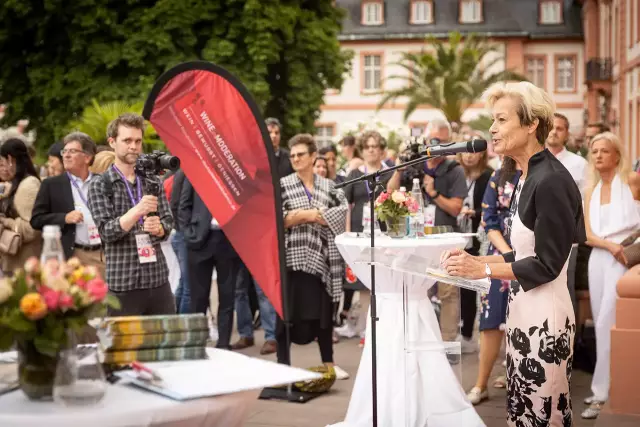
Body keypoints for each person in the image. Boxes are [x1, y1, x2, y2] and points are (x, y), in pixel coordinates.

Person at [442, 81, 585, 426]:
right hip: (522, 313)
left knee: (541, 417)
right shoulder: (525, 174)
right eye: (493, 120)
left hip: (545, 321)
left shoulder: (550, 180)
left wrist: (484, 272)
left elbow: (548, 264)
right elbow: (522, 253)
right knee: (521, 416)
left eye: (502, 120)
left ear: (531, 123)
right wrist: (474, 262)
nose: (492, 129)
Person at [388, 119, 468, 348]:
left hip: (444, 237)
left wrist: (432, 192)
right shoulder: (416, 164)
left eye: (441, 142)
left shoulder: (454, 170)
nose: (435, 146)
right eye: (431, 140)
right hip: (414, 239)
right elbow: (389, 194)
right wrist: (398, 168)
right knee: (413, 290)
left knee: (447, 292)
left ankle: (447, 344)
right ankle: (413, 342)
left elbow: (455, 208)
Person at [88, 113, 175, 316]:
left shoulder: (151, 180)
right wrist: (137, 211)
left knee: (163, 344)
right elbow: (107, 232)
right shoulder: (100, 184)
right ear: (112, 142)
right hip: (124, 283)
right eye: (127, 140)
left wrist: (160, 228)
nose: (133, 146)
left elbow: (168, 222)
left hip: (158, 279)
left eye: (137, 141)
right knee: (126, 346)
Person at [279, 133, 349, 379]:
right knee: (286, 317)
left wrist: (300, 215)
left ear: (312, 157)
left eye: (300, 155)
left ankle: (328, 365)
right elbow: (277, 218)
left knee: (323, 318)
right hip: (291, 262)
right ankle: (282, 368)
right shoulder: (283, 185)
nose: (295, 159)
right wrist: (309, 215)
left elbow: (342, 213)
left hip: (324, 262)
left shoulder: (329, 186)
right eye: (293, 156)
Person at [581, 132, 640, 420]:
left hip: (624, 258)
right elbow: (588, 234)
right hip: (600, 256)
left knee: (607, 320)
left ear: (617, 155)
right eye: (594, 151)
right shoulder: (590, 189)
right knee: (599, 319)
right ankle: (603, 387)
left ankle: (602, 392)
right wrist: (609, 245)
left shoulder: (632, 182)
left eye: (605, 150)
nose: (599, 155)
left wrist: (625, 246)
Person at [467, 161, 521, 404]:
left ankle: (516, 378)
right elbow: (488, 219)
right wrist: (508, 253)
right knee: (490, 319)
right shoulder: (498, 176)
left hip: (530, 254)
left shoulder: (539, 174)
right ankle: (481, 384)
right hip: (498, 254)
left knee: (520, 320)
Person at [336, 131, 390, 344]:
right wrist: (348, 234)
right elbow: (347, 206)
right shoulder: (355, 174)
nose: (370, 150)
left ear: (381, 150)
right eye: (367, 146)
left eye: (374, 146)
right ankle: (356, 325)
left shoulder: (388, 173)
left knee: (376, 282)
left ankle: (371, 326)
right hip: (358, 233)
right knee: (357, 281)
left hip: (381, 234)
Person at [178, 177, 243, 349]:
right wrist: (188, 233)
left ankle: (223, 344)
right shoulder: (195, 171)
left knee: (227, 297)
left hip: (228, 241)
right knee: (198, 298)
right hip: (199, 241)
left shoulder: (231, 170)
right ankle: (197, 344)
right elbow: (182, 204)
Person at [31, 132, 105, 277]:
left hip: (102, 255)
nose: (66, 155)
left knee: (105, 298)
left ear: (87, 157)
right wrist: (64, 218)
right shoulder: (51, 185)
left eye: (72, 151)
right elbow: (36, 219)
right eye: (64, 151)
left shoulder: (103, 182)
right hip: (72, 256)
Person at [456, 148, 493, 353]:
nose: (469, 156)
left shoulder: (488, 175)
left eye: (474, 152)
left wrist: (475, 213)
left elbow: (490, 206)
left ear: (482, 155)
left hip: (478, 236)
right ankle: (465, 331)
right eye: (465, 152)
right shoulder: (457, 174)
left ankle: (475, 332)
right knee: (462, 283)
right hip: (460, 234)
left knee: (475, 282)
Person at [0, 139, 42, 273]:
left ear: (10, 159)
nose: (4, 168)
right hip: (17, 262)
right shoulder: (18, 183)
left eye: (3, 162)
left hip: (24, 265)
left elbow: (32, 228)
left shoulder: (28, 185)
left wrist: (7, 222)